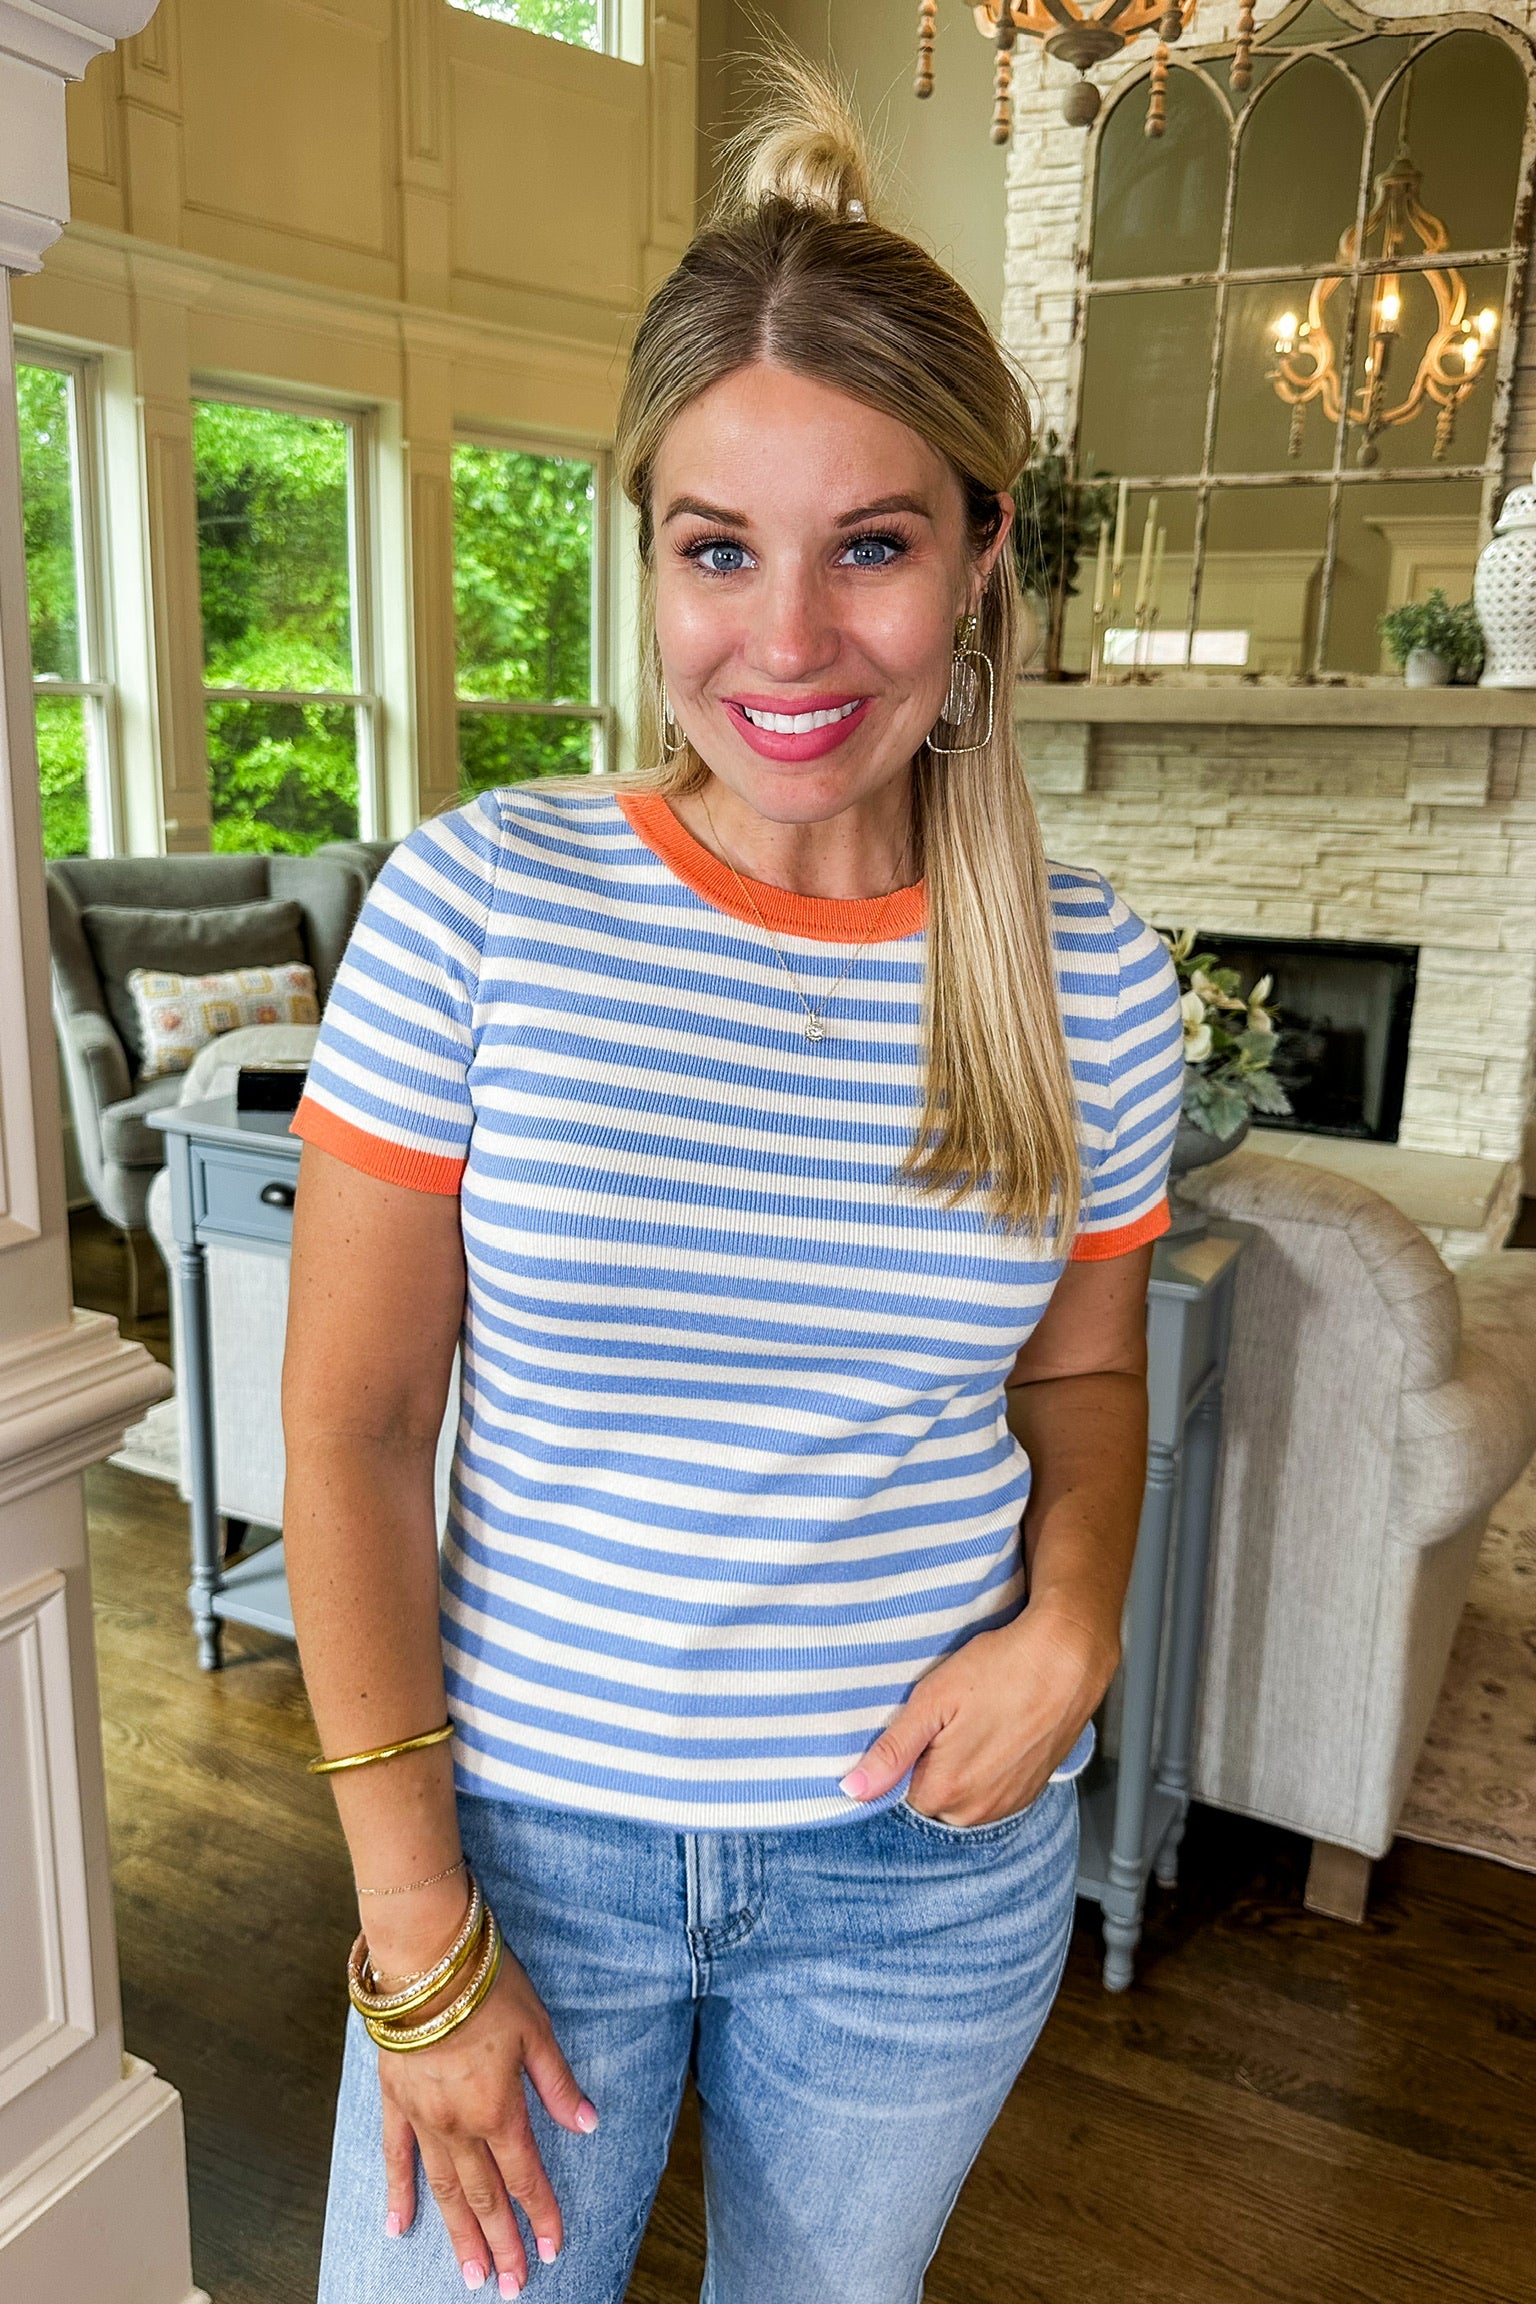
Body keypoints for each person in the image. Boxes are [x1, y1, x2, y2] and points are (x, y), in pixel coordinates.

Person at [283, 64, 1183, 2304]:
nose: (786, 644)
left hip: (919, 1878)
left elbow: (1083, 1381)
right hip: (517, 1856)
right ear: (649, 555)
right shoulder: (482, 906)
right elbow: (354, 1429)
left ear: (982, 552)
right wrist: (415, 1923)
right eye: (718, 549)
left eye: (871, 545)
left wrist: (1075, 1622)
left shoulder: (1092, 979)